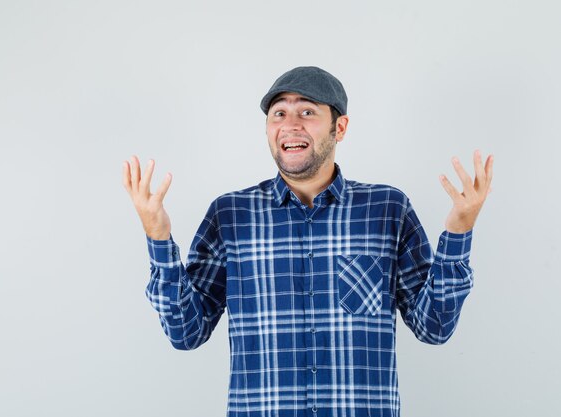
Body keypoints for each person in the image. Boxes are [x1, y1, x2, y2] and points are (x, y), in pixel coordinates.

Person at [122, 66, 493, 417]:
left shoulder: (387, 210)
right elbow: (186, 332)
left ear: (340, 127)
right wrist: (157, 236)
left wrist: (459, 231)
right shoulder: (230, 215)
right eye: (278, 114)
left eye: (307, 112)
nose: (290, 125)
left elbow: (434, 327)